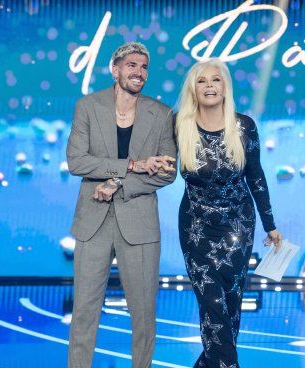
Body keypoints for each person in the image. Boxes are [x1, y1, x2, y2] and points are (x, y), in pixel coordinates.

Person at [66, 41, 177, 368]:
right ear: (115, 70)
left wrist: (116, 183)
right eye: (132, 65)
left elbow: (167, 171)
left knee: (143, 313)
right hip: (93, 222)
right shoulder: (87, 106)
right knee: (85, 310)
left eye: (144, 67)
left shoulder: (162, 113)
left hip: (140, 225)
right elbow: (76, 162)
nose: (139, 72)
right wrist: (130, 166)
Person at [175, 58, 282, 368]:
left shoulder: (244, 125)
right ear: (193, 89)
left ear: (225, 87)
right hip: (196, 228)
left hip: (238, 228)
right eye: (202, 81)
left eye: (216, 80)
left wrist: (270, 225)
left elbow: (256, 176)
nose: (210, 86)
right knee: (212, 305)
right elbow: (161, 166)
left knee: (230, 307)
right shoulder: (178, 123)